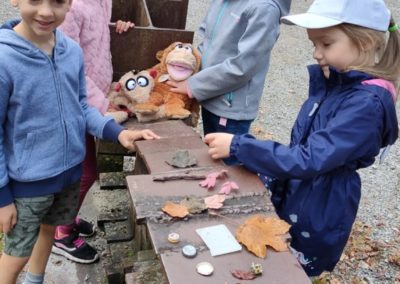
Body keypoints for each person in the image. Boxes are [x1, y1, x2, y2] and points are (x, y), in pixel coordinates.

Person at [204, 0, 399, 276]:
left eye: (326, 44)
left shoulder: (365, 105)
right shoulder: (339, 83)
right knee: (274, 255)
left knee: (290, 271)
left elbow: (310, 158)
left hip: (320, 207)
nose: (317, 54)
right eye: (314, 44)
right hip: (303, 190)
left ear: (364, 43)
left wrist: (239, 144)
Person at [0, 1, 159, 283]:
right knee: (16, 255)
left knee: (50, 229)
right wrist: (2, 197)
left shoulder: (70, 51)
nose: (47, 11)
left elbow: (81, 106)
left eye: (59, 1)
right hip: (28, 183)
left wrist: (116, 132)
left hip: (69, 173)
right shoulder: (4, 60)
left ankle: (34, 280)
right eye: (36, 0)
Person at [52, 0, 134, 264]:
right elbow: (68, 63)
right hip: (77, 101)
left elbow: (91, 34)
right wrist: (102, 104)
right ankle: (61, 233)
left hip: (90, 99)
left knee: (83, 170)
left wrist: (117, 26)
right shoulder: (71, 8)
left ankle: (67, 216)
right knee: (85, 172)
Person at [167, 0, 292, 164]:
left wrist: (194, 85)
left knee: (229, 169)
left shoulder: (263, 9)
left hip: (230, 106)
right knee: (212, 158)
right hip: (210, 93)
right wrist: (187, 69)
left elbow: (243, 66)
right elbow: (207, 38)